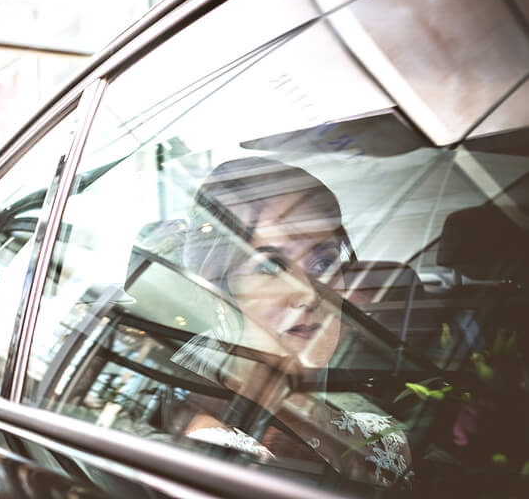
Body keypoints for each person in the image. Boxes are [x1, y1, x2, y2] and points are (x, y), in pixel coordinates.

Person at [171, 156, 412, 488]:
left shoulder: (355, 402)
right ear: (221, 288)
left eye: (323, 261)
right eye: (270, 267)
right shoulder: (220, 447)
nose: (308, 295)